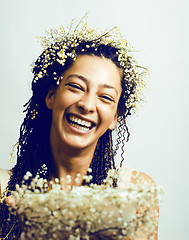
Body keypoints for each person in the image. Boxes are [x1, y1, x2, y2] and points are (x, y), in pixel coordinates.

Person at [0, 17, 158, 239]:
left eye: (105, 97)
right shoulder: (4, 192)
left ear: (114, 118)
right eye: (76, 86)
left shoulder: (135, 192)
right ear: (51, 96)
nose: (87, 105)